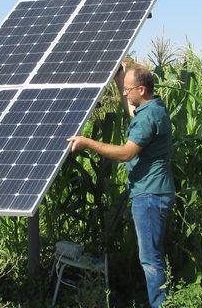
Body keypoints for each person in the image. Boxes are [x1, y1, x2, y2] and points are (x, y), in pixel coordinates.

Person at [67, 64, 175, 308]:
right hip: (152, 192)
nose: (124, 94)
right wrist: (119, 78)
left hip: (150, 195)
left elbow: (126, 153)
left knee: (150, 260)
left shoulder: (149, 116)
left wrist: (87, 142)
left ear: (142, 89)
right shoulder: (152, 108)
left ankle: (159, 305)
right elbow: (133, 113)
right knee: (151, 256)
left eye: (128, 90)